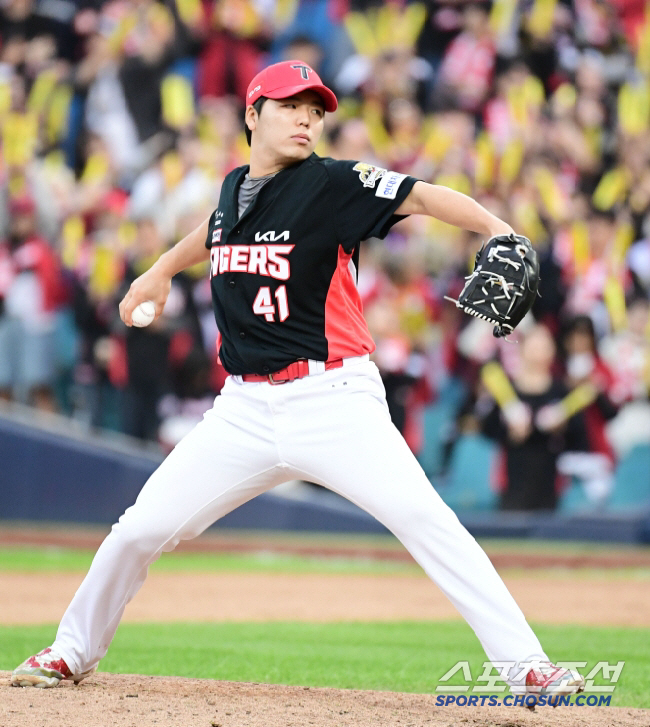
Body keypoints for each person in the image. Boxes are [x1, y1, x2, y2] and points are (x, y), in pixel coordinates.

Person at [11, 60, 585, 701]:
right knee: (140, 529)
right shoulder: (233, 188)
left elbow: (420, 195)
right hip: (244, 409)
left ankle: (527, 665)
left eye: (314, 109)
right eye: (289, 105)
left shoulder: (334, 185)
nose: (306, 117)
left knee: (426, 521)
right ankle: (70, 652)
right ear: (253, 115)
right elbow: (215, 230)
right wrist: (160, 270)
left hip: (334, 399)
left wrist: (498, 230)